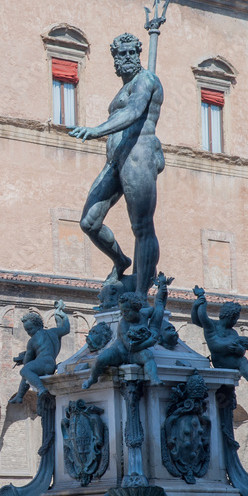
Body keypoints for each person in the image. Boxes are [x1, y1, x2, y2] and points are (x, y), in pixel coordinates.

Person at [69, 32, 164, 302]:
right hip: (116, 160)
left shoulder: (146, 80)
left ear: (139, 54)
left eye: (132, 53)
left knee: (142, 227)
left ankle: (140, 294)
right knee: (89, 222)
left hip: (139, 155)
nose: (127, 58)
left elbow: (133, 112)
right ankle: (121, 261)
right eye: (121, 54)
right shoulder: (124, 88)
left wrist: (97, 130)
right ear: (114, 59)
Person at [82, 274, 171, 389]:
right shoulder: (123, 324)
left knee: (148, 356)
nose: (124, 314)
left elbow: (159, 307)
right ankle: (92, 378)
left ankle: (154, 379)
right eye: (122, 311)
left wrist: (162, 291)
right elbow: (130, 347)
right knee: (100, 359)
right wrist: (149, 342)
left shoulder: (145, 313)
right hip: (120, 351)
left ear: (136, 308)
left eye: (127, 311)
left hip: (135, 354)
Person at [191, 286, 248, 390]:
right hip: (219, 361)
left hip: (228, 360)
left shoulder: (233, 332)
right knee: (241, 360)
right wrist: (200, 300)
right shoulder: (212, 326)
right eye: (236, 319)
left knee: (242, 360)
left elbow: (240, 352)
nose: (236, 322)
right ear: (232, 317)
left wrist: (239, 349)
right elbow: (200, 317)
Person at [8, 302, 70, 403]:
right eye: (26, 330)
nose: (28, 332)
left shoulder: (32, 341)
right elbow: (66, 329)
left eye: (29, 329)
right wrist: (63, 315)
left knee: (25, 371)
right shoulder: (53, 332)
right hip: (50, 364)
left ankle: (41, 389)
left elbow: (27, 363)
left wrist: (22, 359)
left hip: (44, 363)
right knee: (28, 373)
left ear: (38, 325)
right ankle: (19, 396)